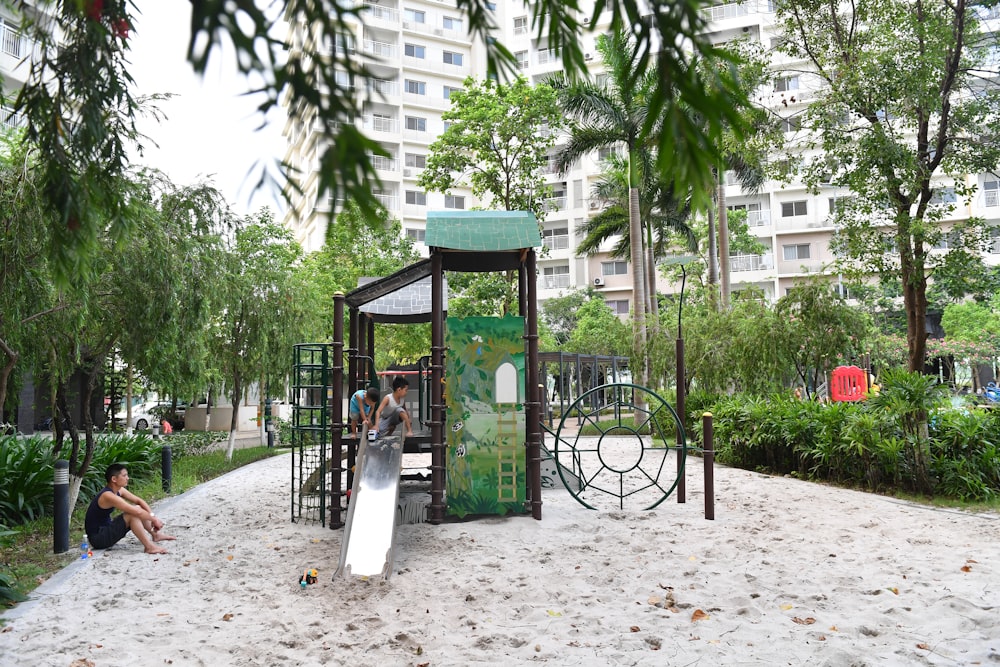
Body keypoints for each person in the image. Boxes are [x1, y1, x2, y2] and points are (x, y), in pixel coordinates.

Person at [84, 463, 175, 554]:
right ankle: (149, 547)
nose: (128, 478)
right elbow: (136, 511)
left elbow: (139, 501)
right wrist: (154, 519)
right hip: (99, 539)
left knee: (137, 509)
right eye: (124, 475)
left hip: (107, 529)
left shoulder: (119, 490)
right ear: (114, 479)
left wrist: (152, 516)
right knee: (132, 514)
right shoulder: (107, 496)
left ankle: (156, 535)